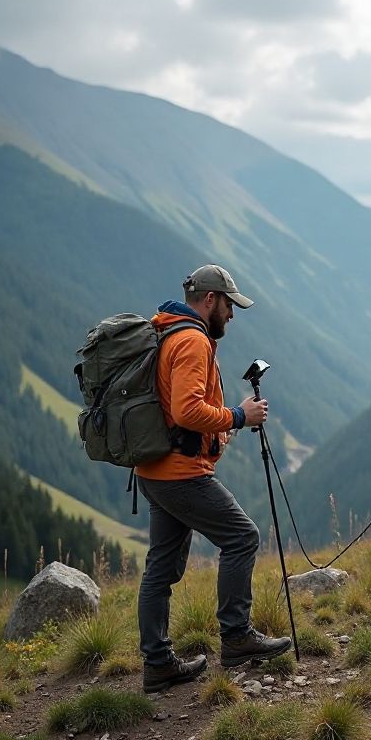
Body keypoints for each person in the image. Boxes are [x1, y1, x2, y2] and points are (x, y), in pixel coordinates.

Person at [134, 264, 292, 693]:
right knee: (242, 537)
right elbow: (187, 411)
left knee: (161, 567)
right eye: (229, 305)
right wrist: (239, 416)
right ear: (210, 300)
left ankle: (158, 664)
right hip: (180, 473)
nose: (231, 315)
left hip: (154, 468)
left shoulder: (166, 331)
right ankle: (237, 638)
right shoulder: (191, 341)